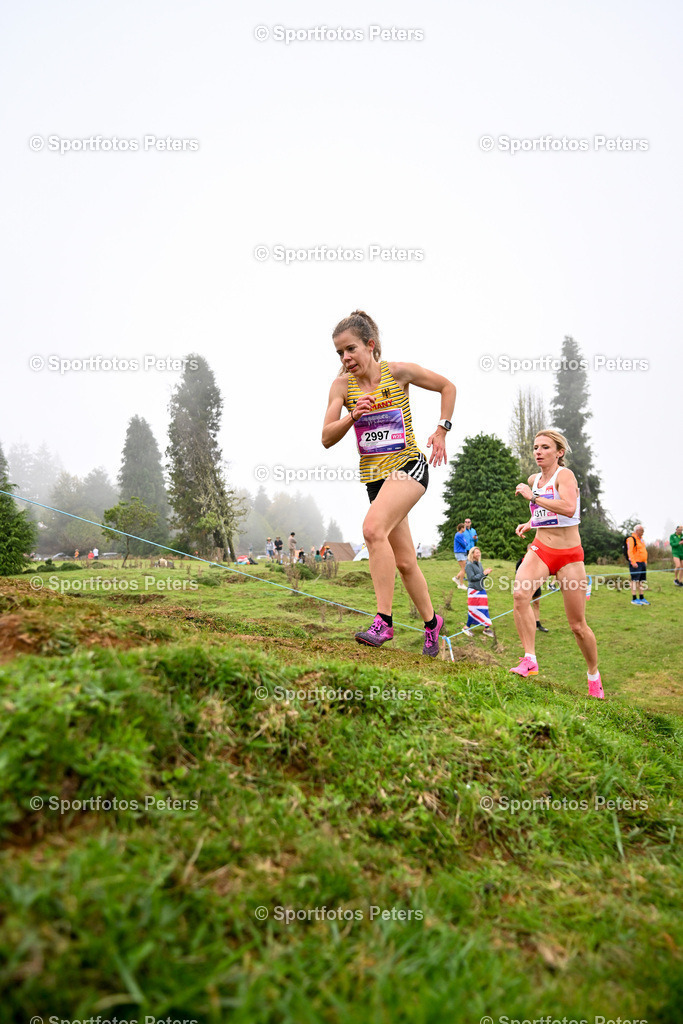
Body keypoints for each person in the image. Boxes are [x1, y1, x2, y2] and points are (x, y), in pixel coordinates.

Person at [322, 309, 456, 657]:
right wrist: (353, 415)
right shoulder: (341, 387)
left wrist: (442, 429)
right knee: (406, 561)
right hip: (375, 481)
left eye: (350, 349)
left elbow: (447, 386)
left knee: (371, 529)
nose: (346, 358)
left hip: (408, 466)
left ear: (370, 345)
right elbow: (325, 437)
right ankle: (432, 624)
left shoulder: (397, 373)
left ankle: (384, 621)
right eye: (339, 353)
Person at [510, 429, 604, 699]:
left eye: (545, 447)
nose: (538, 451)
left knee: (577, 625)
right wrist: (530, 522)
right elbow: (544, 513)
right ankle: (529, 659)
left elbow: (568, 508)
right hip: (541, 549)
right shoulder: (534, 479)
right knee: (519, 594)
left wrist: (532, 497)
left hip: (570, 557)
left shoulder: (566, 476)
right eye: (535, 447)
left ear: (559, 452)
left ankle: (593, 675)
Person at [463, 547, 494, 637]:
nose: (479, 554)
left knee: (484, 609)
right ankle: (466, 627)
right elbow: (471, 578)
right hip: (473, 591)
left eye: (479, 552)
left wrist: (486, 573)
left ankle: (486, 628)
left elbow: (481, 577)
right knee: (473, 610)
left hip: (481, 589)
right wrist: (484, 573)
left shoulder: (479, 563)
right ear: (472, 554)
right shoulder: (469, 565)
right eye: (476, 552)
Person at [515, 556, 549, 632]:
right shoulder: (521, 561)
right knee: (524, 605)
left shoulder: (539, 562)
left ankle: (537, 624)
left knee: (536, 604)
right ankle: (524, 623)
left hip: (536, 585)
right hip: (525, 586)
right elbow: (517, 574)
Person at [626, 524, 649, 605]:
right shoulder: (631, 539)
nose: (643, 532)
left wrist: (645, 561)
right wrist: (633, 562)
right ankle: (634, 598)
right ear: (637, 531)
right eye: (642, 531)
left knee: (641, 581)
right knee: (634, 580)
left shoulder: (641, 539)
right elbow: (630, 551)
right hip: (635, 563)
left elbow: (643, 550)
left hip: (642, 562)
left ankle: (641, 597)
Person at [452, 524, 468, 588]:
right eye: (464, 528)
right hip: (459, 553)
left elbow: (466, 543)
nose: (465, 529)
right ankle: (461, 584)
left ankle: (456, 578)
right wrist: (465, 543)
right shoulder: (458, 535)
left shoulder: (461, 535)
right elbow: (464, 544)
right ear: (461, 528)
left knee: (464, 568)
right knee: (463, 568)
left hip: (462, 553)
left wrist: (465, 543)